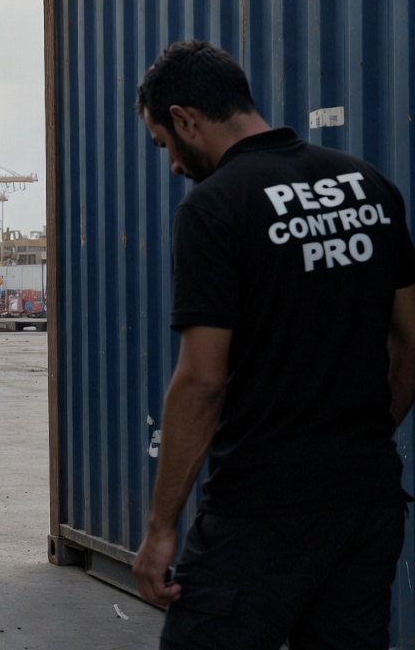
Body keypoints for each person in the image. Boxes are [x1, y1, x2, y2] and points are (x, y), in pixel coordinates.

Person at [130, 40, 415, 648]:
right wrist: (363, 437)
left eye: (165, 146)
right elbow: (413, 342)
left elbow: (202, 381)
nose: (175, 166)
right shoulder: (368, 185)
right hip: (366, 501)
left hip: (261, 510)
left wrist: (160, 529)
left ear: (184, 118)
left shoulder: (212, 209)